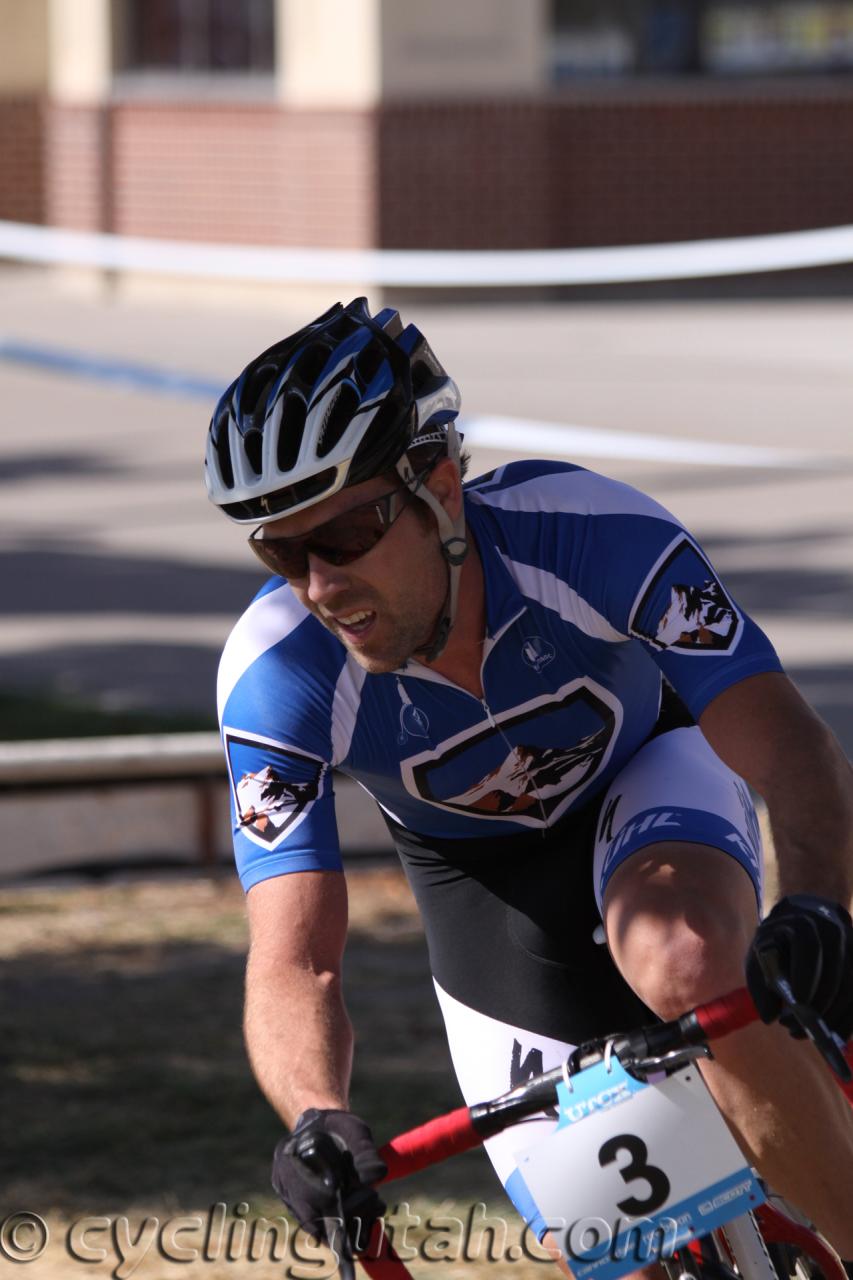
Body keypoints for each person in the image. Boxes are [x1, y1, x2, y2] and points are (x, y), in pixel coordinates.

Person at [206, 297, 853, 1268]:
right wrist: (313, 1113)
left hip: (646, 772)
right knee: (596, 1235)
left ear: (438, 488)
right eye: (281, 550)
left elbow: (789, 748)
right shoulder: (278, 674)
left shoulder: (588, 534)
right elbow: (294, 957)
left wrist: (814, 905)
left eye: (342, 536)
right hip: (481, 885)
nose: (319, 585)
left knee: (680, 955)